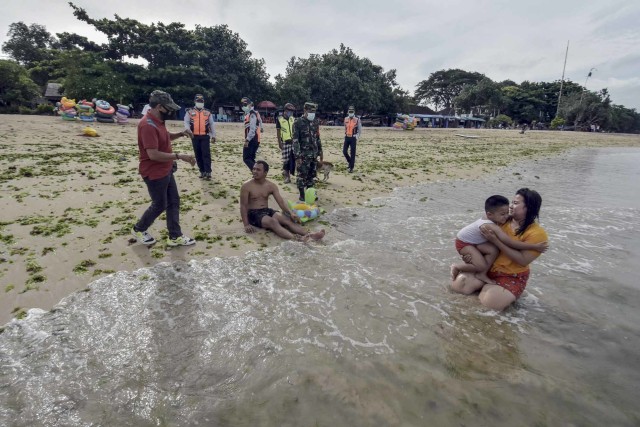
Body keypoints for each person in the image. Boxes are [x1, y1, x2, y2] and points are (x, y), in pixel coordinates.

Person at [451, 188, 549, 311]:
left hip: (510, 275)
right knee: (459, 285)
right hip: (487, 267)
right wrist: (468, 256)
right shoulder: (500, 220)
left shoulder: (537, 234)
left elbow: (523, 260)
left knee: (487, 306)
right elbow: (476, 241)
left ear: (529, 207)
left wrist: (496, 241)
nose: (511, 206)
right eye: (512, 202)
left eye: (516, 203)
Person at [131, 90, 197, 247]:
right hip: (154, 172)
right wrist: (179, 156)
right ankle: (139, 229)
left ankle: (175, 236)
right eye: (169, 108)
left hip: (166, 169)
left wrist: (181, 133)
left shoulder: (158, 121)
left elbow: (164, 137)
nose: (172, 111)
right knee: (159, 204)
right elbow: (153, 154)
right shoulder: (147, 125)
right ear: (159, 107)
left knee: (173, 201)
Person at [240, 160, 325, 241]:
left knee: (286, 220)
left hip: (266, 210)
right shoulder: (246, 186)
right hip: (253, 213)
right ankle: (297, 239)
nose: (254, 171)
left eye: (258, 170)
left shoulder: (271, 186)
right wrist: (246, 224)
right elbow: (243, 206)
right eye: (254, 169)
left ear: (265, 173)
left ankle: (310, 234)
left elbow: (280, 201)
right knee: (273, 222)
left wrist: (291, 213)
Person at [293, 102, 323, 202]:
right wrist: (297, 156)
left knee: (312, 175)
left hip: (313, 154)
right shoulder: (298, 123)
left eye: (314, 111)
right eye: (311, 111)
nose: (312, 113)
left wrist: (320, 151)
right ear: (305, 110)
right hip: (303, 155)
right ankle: (302, 195)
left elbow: (317, 137)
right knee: (302, 176)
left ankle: (310, 194)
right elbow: (295, 141)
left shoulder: (315, 122)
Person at [184, 94, 216, 180]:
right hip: (194, 136)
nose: (200, 103)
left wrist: (214, 136)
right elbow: (186, 122)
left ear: (204, 102)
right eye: (198, 101)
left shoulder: (207, 112)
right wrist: (188, 131)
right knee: (198, 154)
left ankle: (208, 172)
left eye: (201, 101)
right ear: (195, 101)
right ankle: (202, 171)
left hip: (205, 136)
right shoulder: (189, 111)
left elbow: (212, 124)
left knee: (206, 154)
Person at [276, 103, 296, 183]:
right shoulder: (280, 119)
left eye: (291, 111)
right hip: (285, 142)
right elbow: (278, 131)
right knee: (286, 160)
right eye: (289, 111)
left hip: (293, 142)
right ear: (285, 110)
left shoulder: (293, 119)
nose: (290, 113)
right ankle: (287, 176)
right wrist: (279, 143)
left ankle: (288, 172)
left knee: (294, 159)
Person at [241, 97, 260, 171]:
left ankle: (257, 172)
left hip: (252, 139)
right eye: (242, 104)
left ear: (250, 104)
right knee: (251, 158)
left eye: (245, 104)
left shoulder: (252, 114)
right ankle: (257, 172)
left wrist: (247, 140)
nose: (243, 106)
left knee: (246, 158)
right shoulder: (248, 114)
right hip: (254, 139)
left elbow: (252, 130)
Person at [343, 105, 362, 173]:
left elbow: (360, 130)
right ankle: (350, 162)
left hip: (353, 138)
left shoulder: (357, 119)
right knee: (344, 151)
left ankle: (351, 167)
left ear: (354, 112)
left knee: (352, 153)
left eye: (352, 111)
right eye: (349, 111)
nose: (351, 112)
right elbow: (345, 127)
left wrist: (357, 136)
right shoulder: (345, 119)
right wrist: (345, 134)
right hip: (347, 137)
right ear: (348, 112)